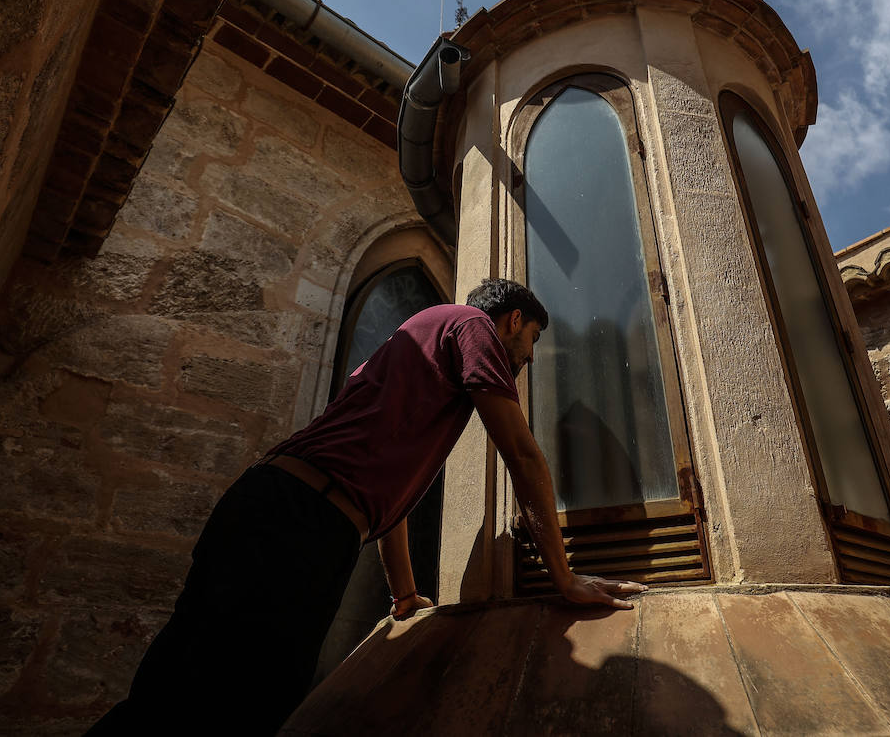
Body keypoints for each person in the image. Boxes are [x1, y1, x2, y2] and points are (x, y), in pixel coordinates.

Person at [89, 278, 646, 733]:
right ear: (514, 321)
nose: (529, 356)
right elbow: (522, 456)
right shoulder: (471, 324)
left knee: (176, 692)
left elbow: (389, 505)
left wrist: (403, 594)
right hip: (301, 521)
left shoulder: (419, 348)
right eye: (533, 340)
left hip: (277, 505)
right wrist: (564, 578)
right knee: (236, 704)